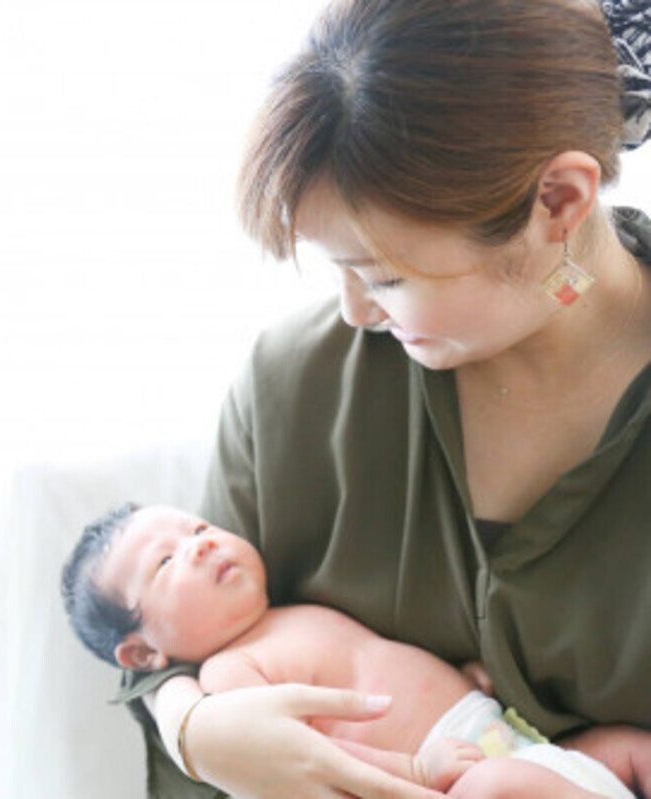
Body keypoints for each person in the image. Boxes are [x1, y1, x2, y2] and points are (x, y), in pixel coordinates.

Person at [118, 0, 651, 796]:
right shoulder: (296, 386)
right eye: (338, 267)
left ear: (558, 201)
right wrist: (190, 726)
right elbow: (168, 641)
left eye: (386, 277)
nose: (354, 311)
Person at [62, 503, 651, 797]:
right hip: (447, 781)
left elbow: (379, 663)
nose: (200, 546)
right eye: (165, 563)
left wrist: (462, 679)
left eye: (198, 530)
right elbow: (305, 756)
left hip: (516, 742)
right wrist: (416, 771)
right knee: (495, 787)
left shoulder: (293, 610)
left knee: (625, 746)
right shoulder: (228, 675)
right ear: (142, 655)